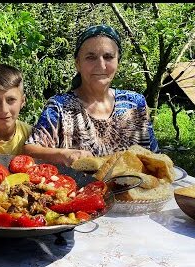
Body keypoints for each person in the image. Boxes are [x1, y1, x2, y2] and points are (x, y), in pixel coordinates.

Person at [23, 24, 159, 166]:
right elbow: (30, 150)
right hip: (81, 188)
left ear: (118, 61)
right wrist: (64, 154)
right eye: (90, 57)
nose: (101, 65)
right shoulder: (60, 106)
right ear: (78, 63)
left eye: (108, 57)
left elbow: (155, 157)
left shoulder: (135, 103)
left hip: (132, 188)